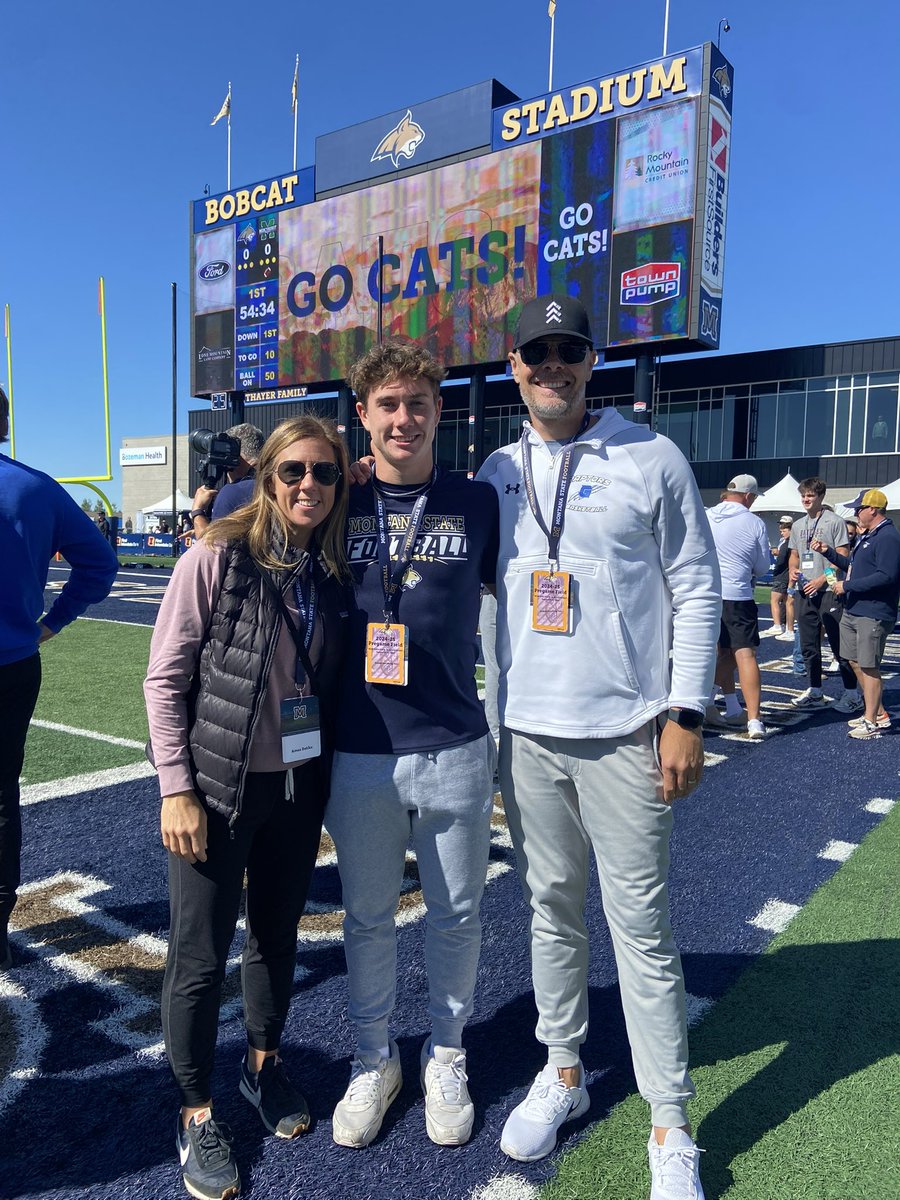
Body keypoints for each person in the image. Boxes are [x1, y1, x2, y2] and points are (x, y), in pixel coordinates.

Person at [476, 296, 719, 1197]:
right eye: (536, 353)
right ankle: (565, 1071)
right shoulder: (497, 469)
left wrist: (685, 712)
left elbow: (697, 586)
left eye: (568, 350)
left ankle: (670, 1121)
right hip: (527, 733)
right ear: (513, 364)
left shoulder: (650, 455)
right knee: (548, 911)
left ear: (591, 359)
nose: (553, 366)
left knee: (642, 931)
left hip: (624, 731)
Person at [144, 416, 352, 1200]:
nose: (310, 486)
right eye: (294, 470)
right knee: (199, 956)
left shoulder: (325, 565)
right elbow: (164, 681)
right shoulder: (216, 557)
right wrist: (176, 786)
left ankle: (263, 1065)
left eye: (326, 474)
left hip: (296, 787)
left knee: (275, 936)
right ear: (266, 476)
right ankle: (197, 1112)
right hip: (217, 788)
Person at [325, 340, 499, 1150]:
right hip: (359, 748)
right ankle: (372, 1055)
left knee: (457, 914)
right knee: (365, 916)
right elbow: (241, 505)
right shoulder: (336, 498)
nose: (404, 417)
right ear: (363, 416)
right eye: (387, 404)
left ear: (440, 412)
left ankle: (447, 1051)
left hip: (457, 742)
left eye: (417, 403)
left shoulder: (477, 502)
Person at [0, 385, 118, 971]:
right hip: (13, 662)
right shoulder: (36, 488)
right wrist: (51, 623)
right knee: (1, 798)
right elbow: (100, 564)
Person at [812, 488, 900, 739]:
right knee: (853, 661)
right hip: (855, 608)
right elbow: (852, 566)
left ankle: (872, 721)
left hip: (872, 611)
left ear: (872, 509)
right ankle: (877, 713)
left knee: (869, 666)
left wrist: (847, 586)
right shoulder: (869, 535)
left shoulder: (887, 538)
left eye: (859, 509)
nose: (856, 513)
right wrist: (828, 552)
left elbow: (887, 576)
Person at [704, 476, 771, 740]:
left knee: (722, 654)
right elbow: (763, 567)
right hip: (738, 594)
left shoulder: (707, 516)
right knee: (744, 654)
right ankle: (754, 718)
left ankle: (729, 707)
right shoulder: (754, 522)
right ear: (748, 496)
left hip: (707, 594)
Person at [788, 477, 860, 712]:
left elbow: (842, 557)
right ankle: (815, 689)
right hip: (804, 591)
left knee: (840, 644)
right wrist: (792, 570)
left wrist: (821, 580)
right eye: (803, 496)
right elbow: (795, 555)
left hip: (828, 589)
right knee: (809, 644)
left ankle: (851, 692)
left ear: (820, 497)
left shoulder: (835, 522)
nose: (806, 499)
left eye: (810, 495)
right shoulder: (798, 525)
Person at [190, 422, 265, 536]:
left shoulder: (234, 492)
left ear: (233, 454)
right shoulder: (275, 484)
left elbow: (212, 547)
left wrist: (198, 512)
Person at [770, 516, 795, 640]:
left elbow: (781, 560)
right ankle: (785, 626)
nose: (781, 530)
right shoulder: (786, 542)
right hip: (788, 575)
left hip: (783, 575)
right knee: (787, 602)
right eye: (781, 526)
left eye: (784, 528)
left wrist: (776, 570)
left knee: (775, 600)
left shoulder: (788, 543)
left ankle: (778, 625)